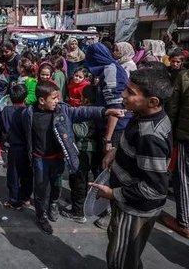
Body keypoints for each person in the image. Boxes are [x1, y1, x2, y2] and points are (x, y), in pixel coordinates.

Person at [90, 69, 173, 269]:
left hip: (134, 208)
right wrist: (116, 151)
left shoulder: (150, 136)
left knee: (121, 258)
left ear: (153, 101)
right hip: (126, 201)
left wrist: (112, 193)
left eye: (130, 92)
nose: (123, 95)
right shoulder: (143, 115)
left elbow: (154, 189)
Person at [23, 81, 123, 235]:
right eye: (54, 98)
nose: (57, 100)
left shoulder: (62, 110)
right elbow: (26, 136)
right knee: (41, 187)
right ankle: (41, 215)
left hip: (57, 157)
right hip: (39, 159)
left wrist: (105, 112)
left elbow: (83, 112)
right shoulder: (29, 113)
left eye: (58, 97)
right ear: (42, 100)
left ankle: (54, 204)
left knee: (56, 184)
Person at [85, 42, 130, 229]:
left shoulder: (111, 71)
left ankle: (110, 213)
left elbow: (116, 109)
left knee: (109, 170)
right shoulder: (109, 69)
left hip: (116, 128)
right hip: (110, 127)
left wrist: (108, 139)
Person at [163, 56, 189, 241]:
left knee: (187, 180)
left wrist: (169, 135)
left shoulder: (186, 75)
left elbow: (172, 107)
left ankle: (185, 223)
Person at [61, 85, 99, 223]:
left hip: (83, 150)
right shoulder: (94, 109)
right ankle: (75, 201)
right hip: (86, 150)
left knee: (79, 181)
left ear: (86, 100)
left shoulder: (87, 112)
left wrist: (69, 122)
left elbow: (82, 131)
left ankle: (77, 212)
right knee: (78, 180)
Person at [0, 84, 32, 210]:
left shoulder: (6, 111)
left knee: (14, 175)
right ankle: (26, 197)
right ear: (25, 97)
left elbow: (3, 129)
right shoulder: (28, 111)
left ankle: (14, 200)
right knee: (27, 174)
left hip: (14, 147)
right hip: (27, 148)